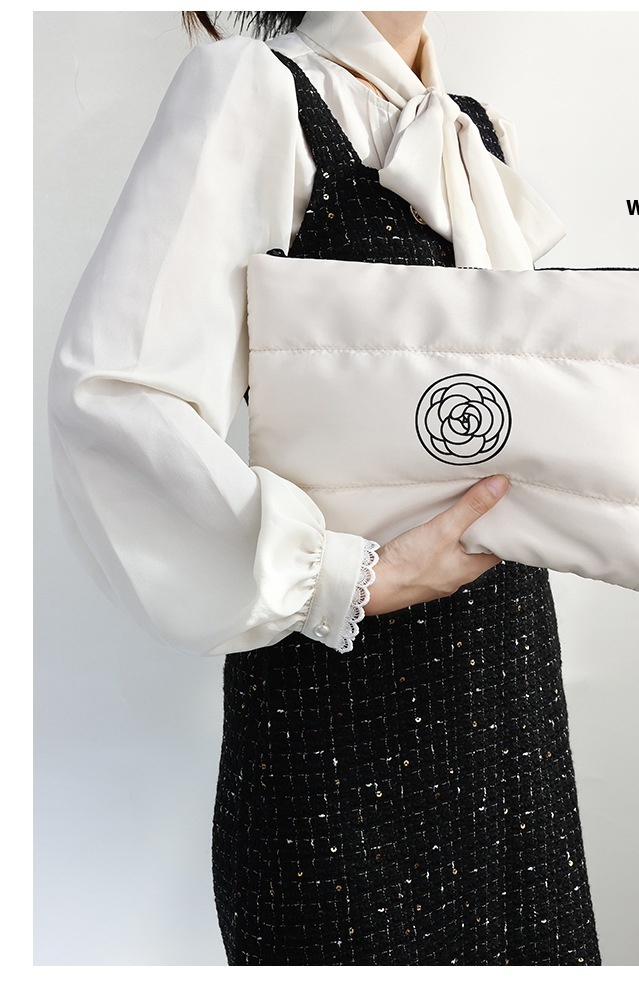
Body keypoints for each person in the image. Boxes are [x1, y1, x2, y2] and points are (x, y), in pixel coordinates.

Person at [48, 10, 600, 966]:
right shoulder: (252, 88)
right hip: (343, 708)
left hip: (505, 686)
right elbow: (110, 399)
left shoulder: (472, 130)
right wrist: (349, 576)